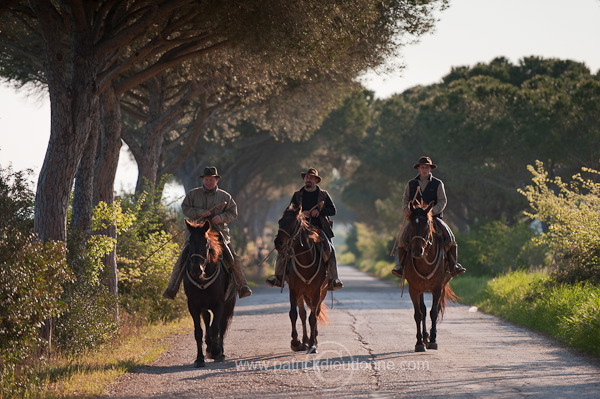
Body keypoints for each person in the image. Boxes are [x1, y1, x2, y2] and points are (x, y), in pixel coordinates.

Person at [163, 166, 252, 300]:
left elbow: (233, 212)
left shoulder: (225, 196)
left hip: (218, 234)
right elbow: (185, 208)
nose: (208, 182)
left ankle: (242, 286)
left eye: (211, 179)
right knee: (181, 259)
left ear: (216, 180)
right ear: (203, 180)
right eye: (206, 179)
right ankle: (172, 288)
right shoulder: (193, 194)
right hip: (196, 235)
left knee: (233, 258)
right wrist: (200, 212)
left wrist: (220, 218)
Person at [266, 168, 344, 291]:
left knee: (330, 250)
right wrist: (301, 213)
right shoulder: (297, 195)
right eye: (307, 177)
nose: (308, 180)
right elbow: (290, 211)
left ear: (316, 181)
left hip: (319, 228)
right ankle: (278, 277)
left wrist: (319, 211)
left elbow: (333, 210)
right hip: (299, 229)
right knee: (283, 249)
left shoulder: (323, 194)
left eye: (311, 178)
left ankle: (333, 279)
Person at [391, 156, 466, 278]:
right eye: (422, 167)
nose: (424, 169)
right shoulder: (411, 183)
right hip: (415, 218)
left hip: (434, 217)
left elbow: (443, 201)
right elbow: (405, 199)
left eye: (427, 167)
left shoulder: (438, 183)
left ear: (430, 169)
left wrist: (432, 212)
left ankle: (454, 266)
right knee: (402, 239)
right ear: (419, 169)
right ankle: (400, 267)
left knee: (450, 238)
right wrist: (405, 209)